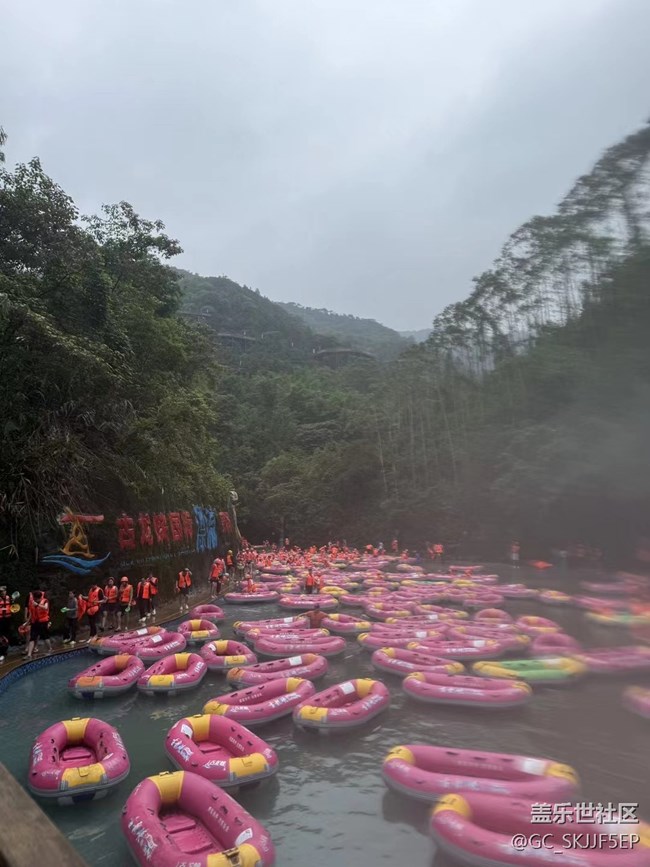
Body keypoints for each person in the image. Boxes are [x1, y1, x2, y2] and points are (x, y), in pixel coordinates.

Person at [26, 590, 52, 659]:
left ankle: (50, 649)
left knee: (45, 636)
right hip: (35, 622)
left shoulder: (45, 601)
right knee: (32, 638)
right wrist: (27, 622)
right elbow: (31, 614)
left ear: (40, 598)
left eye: (37, 599)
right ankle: (29, 654)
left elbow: (46, 608)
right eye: (34, 598)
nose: (35, 600)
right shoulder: (32, 603)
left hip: (43, 622)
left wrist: (37, 604)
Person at [0, 587, 13, 660]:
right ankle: (1, 651)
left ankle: (5, 650)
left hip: (7, 619)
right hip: (0, 619)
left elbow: (11, 607)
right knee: (1, 635)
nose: (2, 592)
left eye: (3, 591)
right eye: (1, 591)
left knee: (7, 635)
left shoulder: (9, 598)